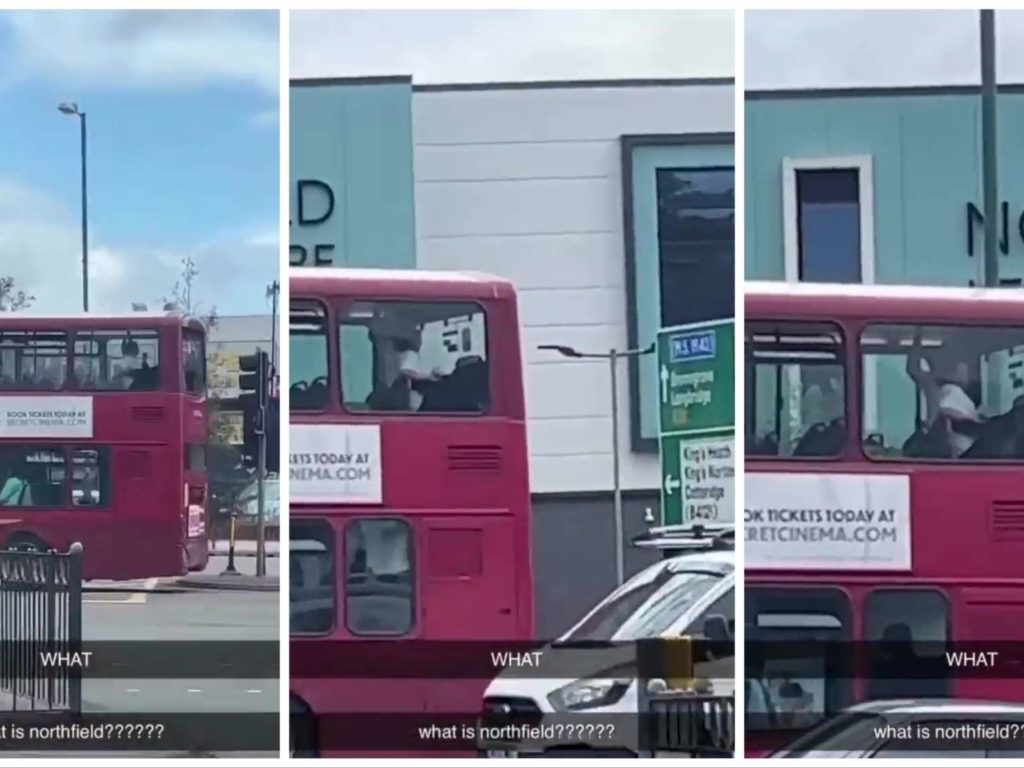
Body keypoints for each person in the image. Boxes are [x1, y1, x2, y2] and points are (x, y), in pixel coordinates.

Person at [906, 332, 982, 457]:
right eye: (963, 366)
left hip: (963, 448)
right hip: (956, 451)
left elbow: (913, 368)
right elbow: (946, 412)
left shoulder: (954, 392)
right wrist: (977, 424)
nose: (968, 372)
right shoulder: (947, 390)